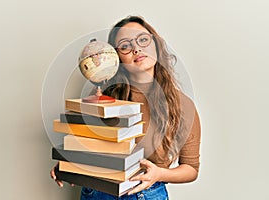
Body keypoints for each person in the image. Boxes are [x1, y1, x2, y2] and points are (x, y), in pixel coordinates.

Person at [50, 15, 201, 200]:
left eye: (143, 40)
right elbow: (88, 145)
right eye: (125, 45)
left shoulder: (182, 105)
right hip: (96, 192)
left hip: (146, 194)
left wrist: (159, 174)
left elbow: (191, 169)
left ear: (157, 46)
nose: (136, 48)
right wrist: (70, 165)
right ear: (117, 57)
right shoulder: (103, 97)